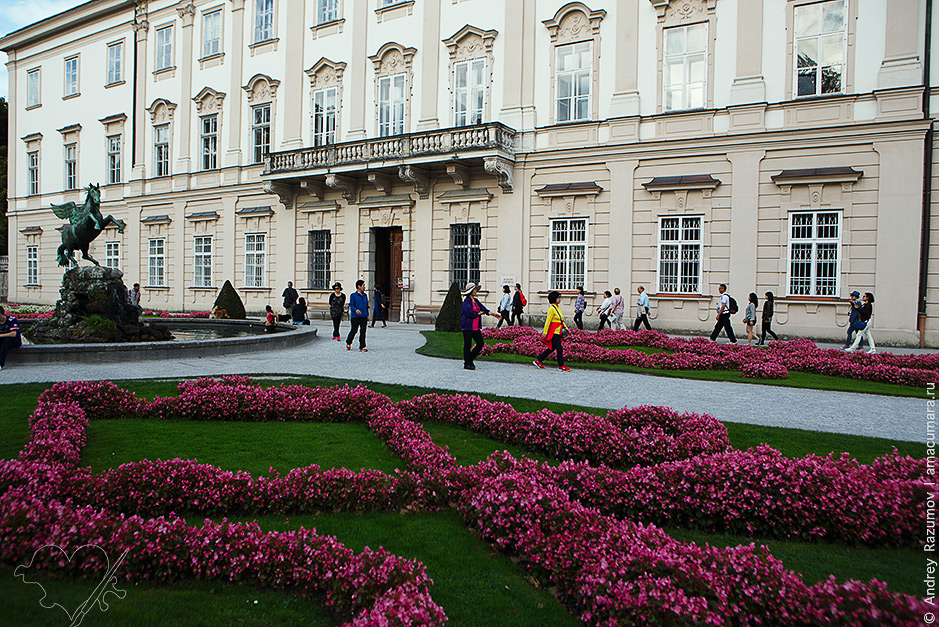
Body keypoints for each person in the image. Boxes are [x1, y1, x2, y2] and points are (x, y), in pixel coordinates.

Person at [460, 282, 499, 370]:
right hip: (467, 326)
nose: (476, 291)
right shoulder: (467, 301)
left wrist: (492, 314)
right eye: (474, 289)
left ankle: (469, 359)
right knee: (468, 345)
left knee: (480, 343)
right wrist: (478, 314)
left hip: (475, 327)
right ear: (470, 291)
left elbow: (483, 308)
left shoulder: (476, 301)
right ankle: (467, 363)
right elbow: (469, 312)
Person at [533, 291, 571, 371]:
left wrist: (566, 329)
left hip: (558, 331)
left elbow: (561, 320)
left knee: (552, 348)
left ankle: (539, 360)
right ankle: (561, 365)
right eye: (558, 298)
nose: (559, 299)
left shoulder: (558, 308)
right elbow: (548, 321)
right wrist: (545, 332)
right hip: (554, 332)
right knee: (559, 349)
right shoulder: (551, 309)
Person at [347, 280, 369, 351]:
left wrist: (367, 314)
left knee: (363, 331)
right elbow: (351, 305)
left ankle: (362, 346)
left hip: (363, 316)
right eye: (363, 285)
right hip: (355, 316)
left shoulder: (365, 295)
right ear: (359, 286)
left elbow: (366, 306)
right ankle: (349, 342)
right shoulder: (353, 295)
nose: (364, 287)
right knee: (354, 330)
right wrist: (356, 310)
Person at [0, 306, 23, 371]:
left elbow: (13, 334)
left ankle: (0, 363)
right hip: (2, 340)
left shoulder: (11, 320)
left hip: (13, 340)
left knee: (7, 340)